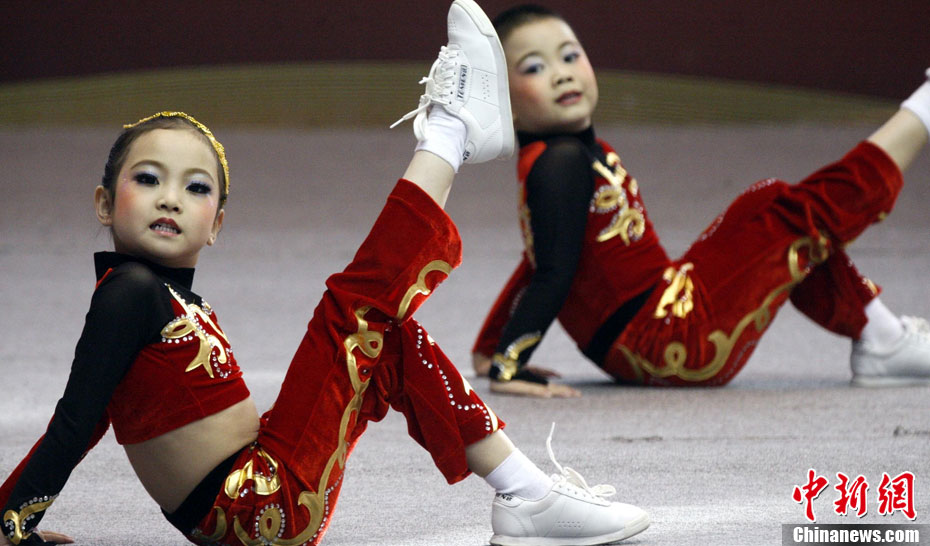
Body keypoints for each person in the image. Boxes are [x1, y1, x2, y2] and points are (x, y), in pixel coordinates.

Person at [0, 2, 651, 545]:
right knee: (352, 306)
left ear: (216, 223)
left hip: (262, 490)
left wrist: (14, 518)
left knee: (388, 335)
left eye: (195, 187)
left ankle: (525, 495)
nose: (170, 198)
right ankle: (449, 133)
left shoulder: (157, 296)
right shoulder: (130, 292)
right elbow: (77, 419)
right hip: (255, 507)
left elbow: (95, 417)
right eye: (148, 179)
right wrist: (9, 523)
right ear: (103, 202)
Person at [471, 4, 930, 398]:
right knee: (786, 217)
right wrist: (509, 366)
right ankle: (923, 110)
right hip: (664, 339)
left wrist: (492, 346)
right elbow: (552, 268)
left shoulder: (566, 155)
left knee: (767, 206)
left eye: (570, 56)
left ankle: (881, 339)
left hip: (655, 320)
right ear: (504, 103)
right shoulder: (562, 161)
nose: (562, 73)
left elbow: (542, 255)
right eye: (534, 67)